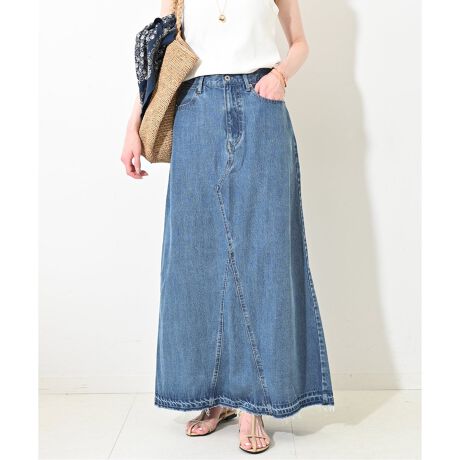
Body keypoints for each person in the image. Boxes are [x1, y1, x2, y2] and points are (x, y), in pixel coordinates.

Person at [121, 0, 334, 454]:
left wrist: (280, 75)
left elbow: (300, 42)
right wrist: (132, 127)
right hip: (195, 109)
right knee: (194, 256)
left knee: (265, 253)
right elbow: (160, 59)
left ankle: (254, 403)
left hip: (262, 105)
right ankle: (214, 397)